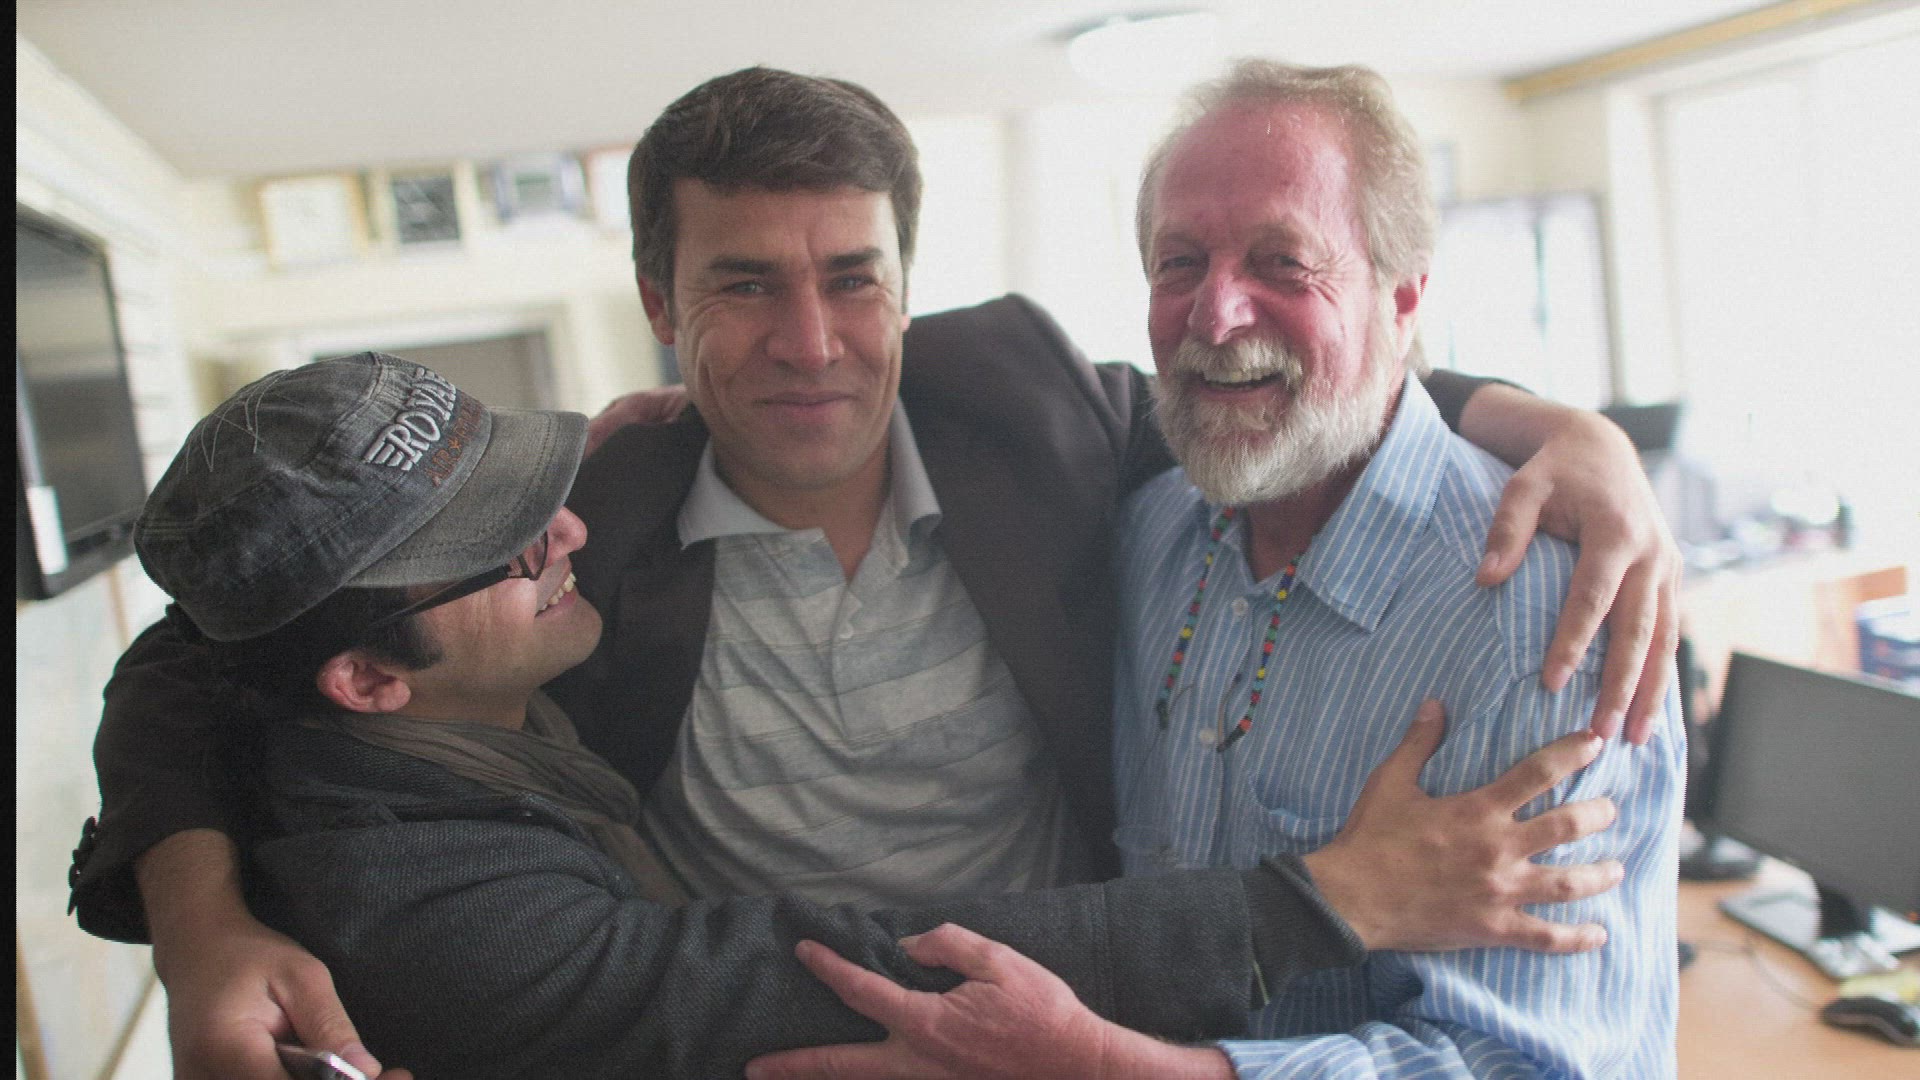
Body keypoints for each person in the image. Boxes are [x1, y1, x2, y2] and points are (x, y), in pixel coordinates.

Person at [68, 67, 1675, 1078]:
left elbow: (1277, 386)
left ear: (910, 283)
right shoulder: (580, 516)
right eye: (742, 286)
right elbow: (222, 643)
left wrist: (1561, 430)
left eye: (854, 278)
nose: (811, 343)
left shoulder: (1034, 413)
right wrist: (198, 920)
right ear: (658, 300)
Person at [116, 351, 1618, 1080]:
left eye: (539, 487)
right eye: (511, 547)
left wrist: (1543, 422)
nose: (567, 531)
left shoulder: (350, 664)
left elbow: (182, 651)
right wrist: (1321, 902)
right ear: (369, 682)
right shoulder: (427, 924)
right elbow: (810, 961)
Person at [748, 60, 1682, 1079]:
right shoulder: (1150, 531)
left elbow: (1528, 1065)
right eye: (1180, 263)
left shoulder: (1535, 615)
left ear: (1404, 295)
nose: (1215, 315)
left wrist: (1100, 1066)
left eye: (1283, 263)